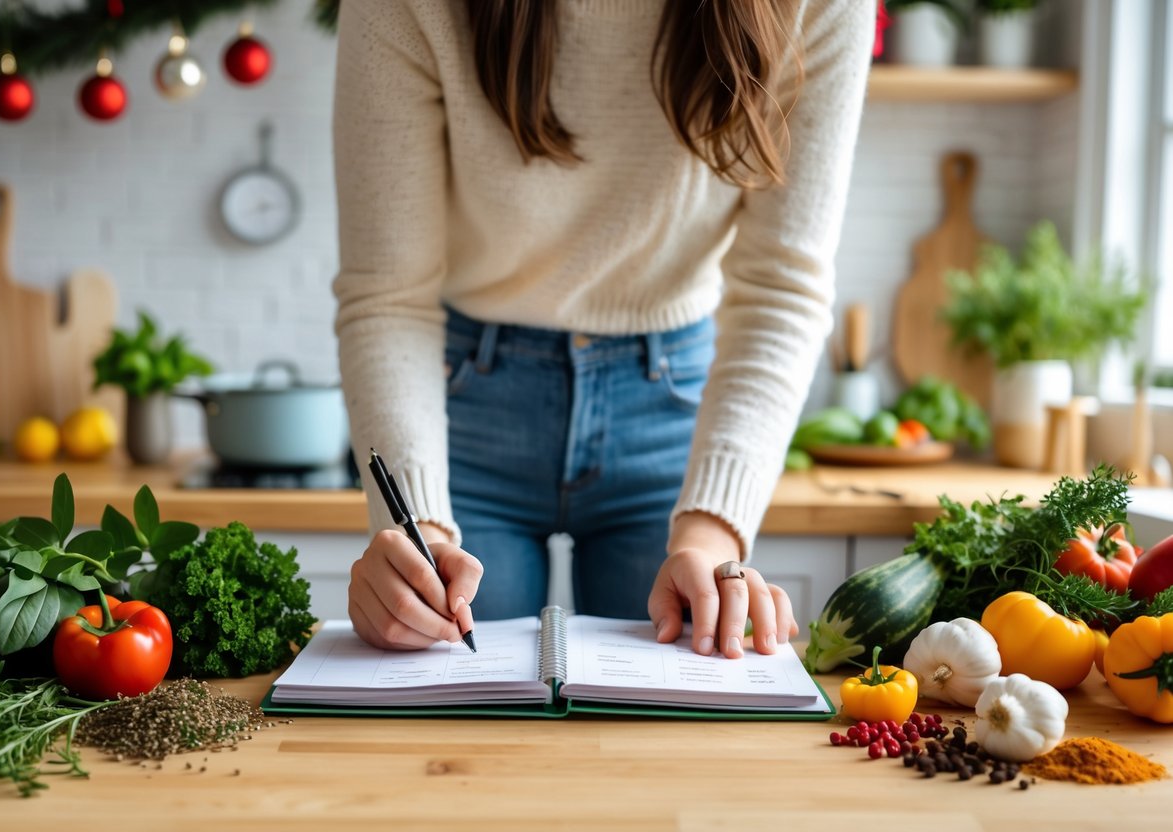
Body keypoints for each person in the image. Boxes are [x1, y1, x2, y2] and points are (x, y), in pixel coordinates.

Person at [334, 0, 875, 660]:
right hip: (464, 410)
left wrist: (711, 535)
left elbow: (780, 290)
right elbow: (388, 295)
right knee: (449, 700)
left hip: (674, 412)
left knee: (667, 725)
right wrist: (415, 529)